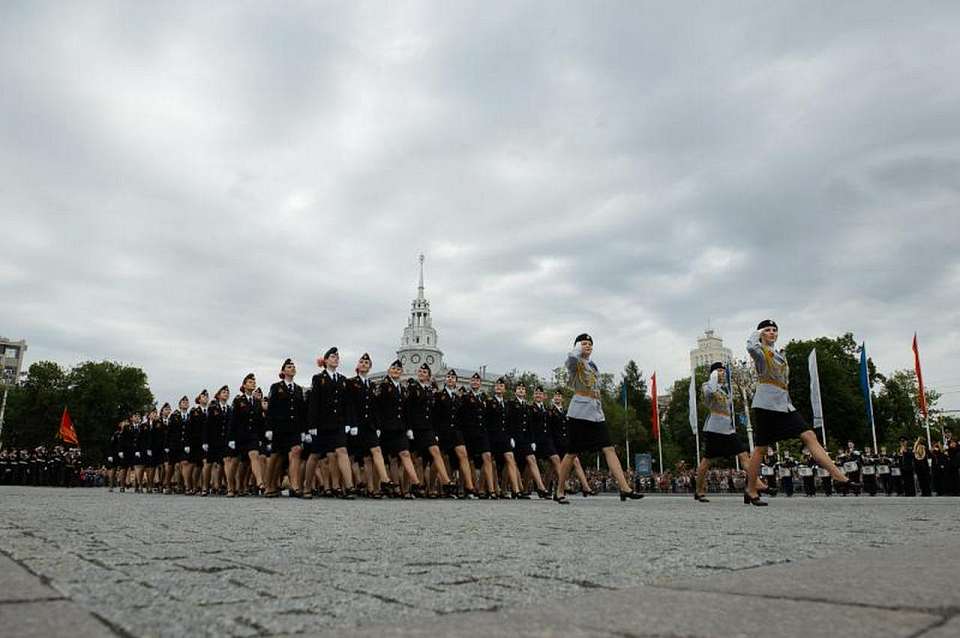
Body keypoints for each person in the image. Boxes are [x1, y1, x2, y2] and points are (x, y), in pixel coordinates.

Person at [744, 320, 855, 506]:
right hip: (766, 404)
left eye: (774, 330)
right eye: (767, 330)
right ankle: (751, 489)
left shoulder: (779, 355)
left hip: (785, 405)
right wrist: (757, 333)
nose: (772, 333)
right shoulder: (762, 352)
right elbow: (750, 346)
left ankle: (839, 477)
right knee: (761, 448)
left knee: (810, 436)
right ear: (761, 334)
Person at [554, 334, 643, 504]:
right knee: (572, 453)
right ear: (578, 346)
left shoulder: (592, 365)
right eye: (584, 343)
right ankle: (559, 490)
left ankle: (625, 488)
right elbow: (571, 358)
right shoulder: (575, 362)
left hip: (595, 412)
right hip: (579, 412)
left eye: (590, 344)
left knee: (608, 448)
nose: (587, 346)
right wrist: (577, 348)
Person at [693, 362, 755, 503]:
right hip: (714, 428)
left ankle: (754, 487)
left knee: (744, 455)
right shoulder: (707, 386)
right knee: (707, 461)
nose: (722, 373)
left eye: (723, 371)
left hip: (728, 428)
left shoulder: (726, 389)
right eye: (719, 371)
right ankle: (699, 490)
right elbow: (709, 393)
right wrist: (713, 377)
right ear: (713, 373)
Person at [308, 348, 356, 498]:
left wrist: (349, 422)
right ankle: (306, 486)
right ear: (326, 360)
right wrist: (312, 425)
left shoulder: (342, 380)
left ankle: (348, 487)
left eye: (337, 357)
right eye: (333, 356)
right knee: (315, 455)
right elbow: (314, 403)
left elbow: (347, 403)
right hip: (322, 424)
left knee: (342, 451)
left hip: (338, 423)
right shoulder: (318, 378)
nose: (336, 359)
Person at [374, 359, 424, 497]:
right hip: (385, 428)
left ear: (401, 372)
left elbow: (406, 410)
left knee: (405, 454)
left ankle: (415, 483)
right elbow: (377, 408)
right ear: (389, 370)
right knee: (389, 460)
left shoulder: (402, 388)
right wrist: (377, 426)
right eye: (393, 369)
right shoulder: (383, 386)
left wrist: (409, 428)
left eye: (398, 369)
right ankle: (385, 488)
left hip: (400, 428)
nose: (396, 371)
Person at [405, 363, 455, 497]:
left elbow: (433, 413)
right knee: (416, 459)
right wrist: (409, 428)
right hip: (415, 428)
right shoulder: (412, 388)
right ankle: (414, 486)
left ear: (429, 376)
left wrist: (436, 431)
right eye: (420, 371)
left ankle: (446, 482)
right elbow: (408, 409)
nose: (421, 373)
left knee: (436, 451)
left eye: (424, 372)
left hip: (427, 428)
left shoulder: (430, 391)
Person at [266, 359, 307, 498]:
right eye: (289, 367)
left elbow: (302, 411)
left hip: (294, 428)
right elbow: (271, 408)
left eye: (293, 366)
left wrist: (303, 430)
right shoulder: (276, 387)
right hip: (279, 428)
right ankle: (269, 485)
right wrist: (269, 428)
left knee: (296, 452)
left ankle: (295, 486)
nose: (292, 368)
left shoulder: (298, 389)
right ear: (283, 371)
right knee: (276, 457)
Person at [434, 369, 477, 498]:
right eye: (448, 377)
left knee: (463, 455)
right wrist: (436, 432)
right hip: (443, 431)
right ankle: (437, 487)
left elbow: (463, 417)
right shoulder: (439, 395)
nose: (450, 379)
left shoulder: (459, 398)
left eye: (453, 377)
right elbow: (435, 416)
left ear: (456, 381)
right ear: (445, 380)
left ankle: (469, 486)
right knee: (442, 459)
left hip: (456, 431)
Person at [506, 382, 549, 498]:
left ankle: (540, 487)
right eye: (518, 389)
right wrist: (510, 437)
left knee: (532, 459)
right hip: (514, 438)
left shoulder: (526, 406)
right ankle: (518, 489)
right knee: (513, 463)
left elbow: (530, 426)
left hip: (525, 439)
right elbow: (508, 421)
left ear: (525, 392)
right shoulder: (511, 404)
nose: (521, 390)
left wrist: (532, 441)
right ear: (515, 391)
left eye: (523, 389)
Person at [227, 373, 266, 497]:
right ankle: (231, 487)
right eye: (250, 382)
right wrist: (231, 438)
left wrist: (261, 438)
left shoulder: (257, 402)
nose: (253, 384)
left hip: (252, 436)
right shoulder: (238, 401)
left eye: (254, 382)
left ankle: (260, 482)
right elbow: (233, 420)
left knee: (254, 455)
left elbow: (260, 422)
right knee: (235, 462)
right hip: (239, 436)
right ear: (244, 385)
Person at [458, 372, 496, 498]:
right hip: (469, 433)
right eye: (473, 381)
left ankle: (490, 489)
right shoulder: (465, 397)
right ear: (470, 383)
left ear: (480, 383)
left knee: (487, 457)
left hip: (482, 433)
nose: (475, 383)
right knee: (467, 460)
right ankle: (462, 488)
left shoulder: (485, 398)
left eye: (477, 381)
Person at [485, 377, 523, 498]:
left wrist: (511, 436)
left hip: (505, 436)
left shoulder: (507, 404)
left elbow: (510, 422)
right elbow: (486, 421)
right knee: (490, 461)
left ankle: (516, 490)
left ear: (505, 389)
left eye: (501, 386)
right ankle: (491, 490)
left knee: (510, 458)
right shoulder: (489, 402)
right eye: (497, 385)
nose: (498, 387)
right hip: (492, 436)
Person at [203, 385, 230, 496]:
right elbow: (207, 425)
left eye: (227, 392)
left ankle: (217, 486)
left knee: (221, 464)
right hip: (213, 440)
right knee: (209, 464)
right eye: (223, 392)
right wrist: (205, 441)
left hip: (224, 441)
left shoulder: (229, 409)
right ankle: (205, 487)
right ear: (218, 395)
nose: (226, 394)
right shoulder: (213, 408)